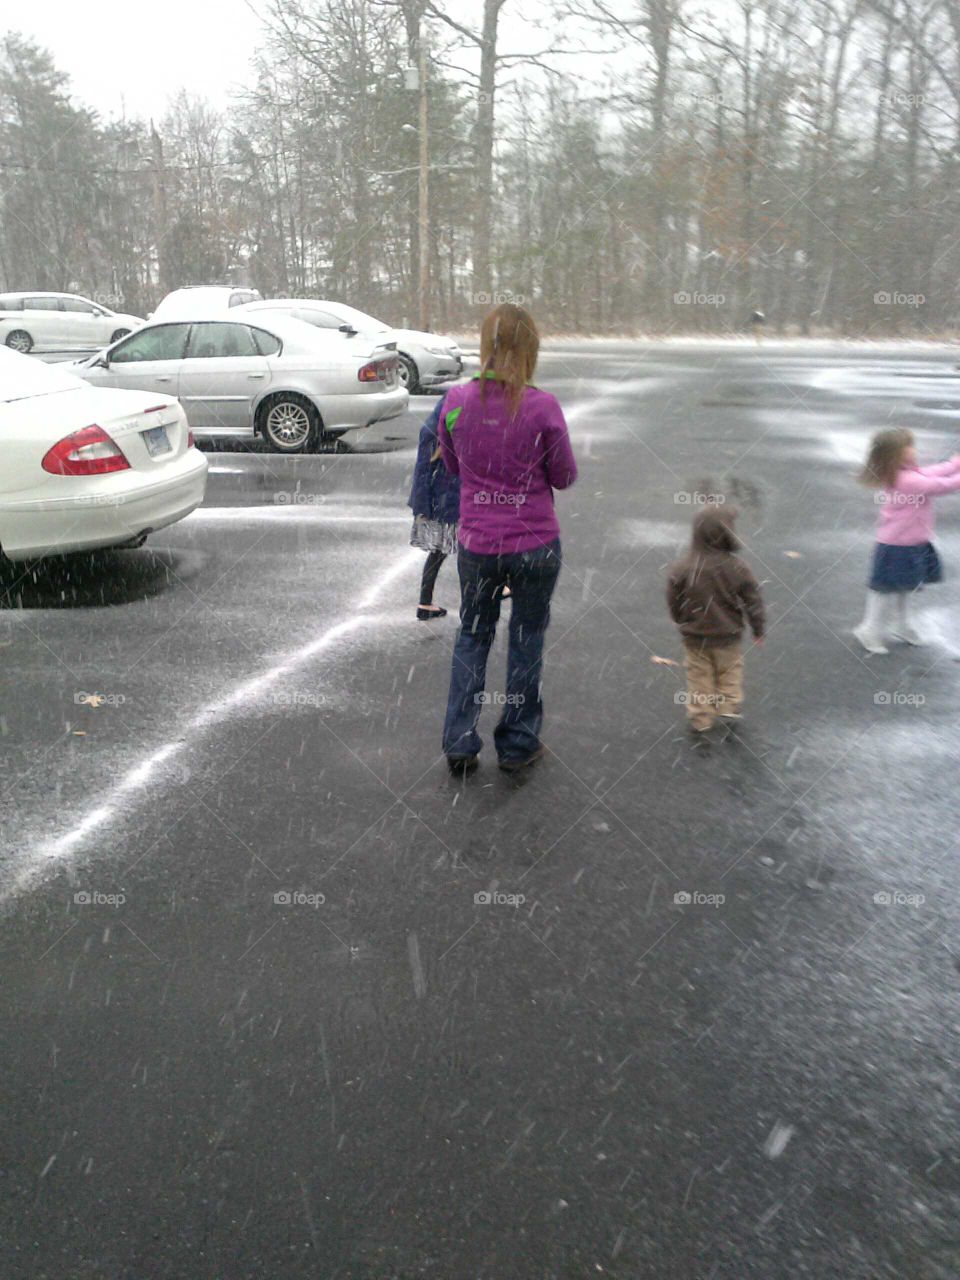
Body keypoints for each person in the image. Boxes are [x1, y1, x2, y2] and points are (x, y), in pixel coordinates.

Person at [438, 302, 577, 773]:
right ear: (530, 349)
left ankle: (459, 740)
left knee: (473, 635)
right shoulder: (543, 407)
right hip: (534, 543)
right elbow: (564, 476)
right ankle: (518, 742)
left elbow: (453, 464)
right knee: (526, 637)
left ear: (485, 347)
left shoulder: (456, 402)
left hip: (478, 544)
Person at [854, 427, 960, 654]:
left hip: (912, 543)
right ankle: (869, 628)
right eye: (909, 446)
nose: (914, 449)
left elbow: (931, 472)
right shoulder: (905, 480)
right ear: (896, 454)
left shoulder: (905, 473)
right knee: (883, 590)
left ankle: (902, 625)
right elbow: (940, 485)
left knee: (906, 587)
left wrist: (954, 464)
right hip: (896, 546)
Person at [666, 504, 765, 733]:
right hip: (728, 635)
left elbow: (673, 596)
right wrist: (758, 628)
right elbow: (753, 599)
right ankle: (729, 704)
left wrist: (679, 617)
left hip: (695, 636)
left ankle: (701, 719)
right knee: (730, 671)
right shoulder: (737, 567)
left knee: (699, 678)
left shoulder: (684, 566)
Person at [408, 394, 459, 620]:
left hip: (440, 498)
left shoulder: (432, 432)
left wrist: (422, 504)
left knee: (439, 550)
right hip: (454, 498)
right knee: (470, 550)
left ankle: (425, 602)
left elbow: (422, 473)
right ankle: (480, 600)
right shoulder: (451, 433)